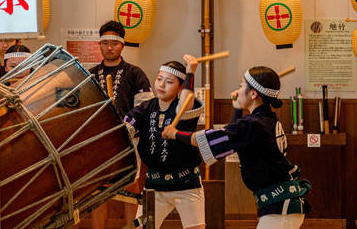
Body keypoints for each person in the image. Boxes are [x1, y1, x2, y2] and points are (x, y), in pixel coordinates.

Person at [162, 66, 311, 229]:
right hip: (282, 204)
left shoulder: (254, 124)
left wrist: (175, 133)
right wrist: (237, 109)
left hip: (280, 207)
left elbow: (212, 139)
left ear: (253, 94)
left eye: (241, 86)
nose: (237, 91)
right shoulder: (266, 119)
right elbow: (231, 137)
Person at [124, 55, 205, 229]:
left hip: (186, 184)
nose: (161, 85)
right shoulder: (146, 107)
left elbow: (185, 103)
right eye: (159, 79)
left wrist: (190, 72)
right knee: (141, 227)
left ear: (180, 87)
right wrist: (124, 131)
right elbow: (130, 120)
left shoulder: (182, 108)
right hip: (154, 186)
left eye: (169, 82)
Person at [88, 20, 153, 229]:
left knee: (131, 188)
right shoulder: (89, 75)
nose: (110, 47)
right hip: (98, 142)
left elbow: (145, 106)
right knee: (98, 191)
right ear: (99, 45)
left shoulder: (135, 73)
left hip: (129, 140)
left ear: (122, 45)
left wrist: (128, 125)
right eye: (105, 43)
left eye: (114, 43)